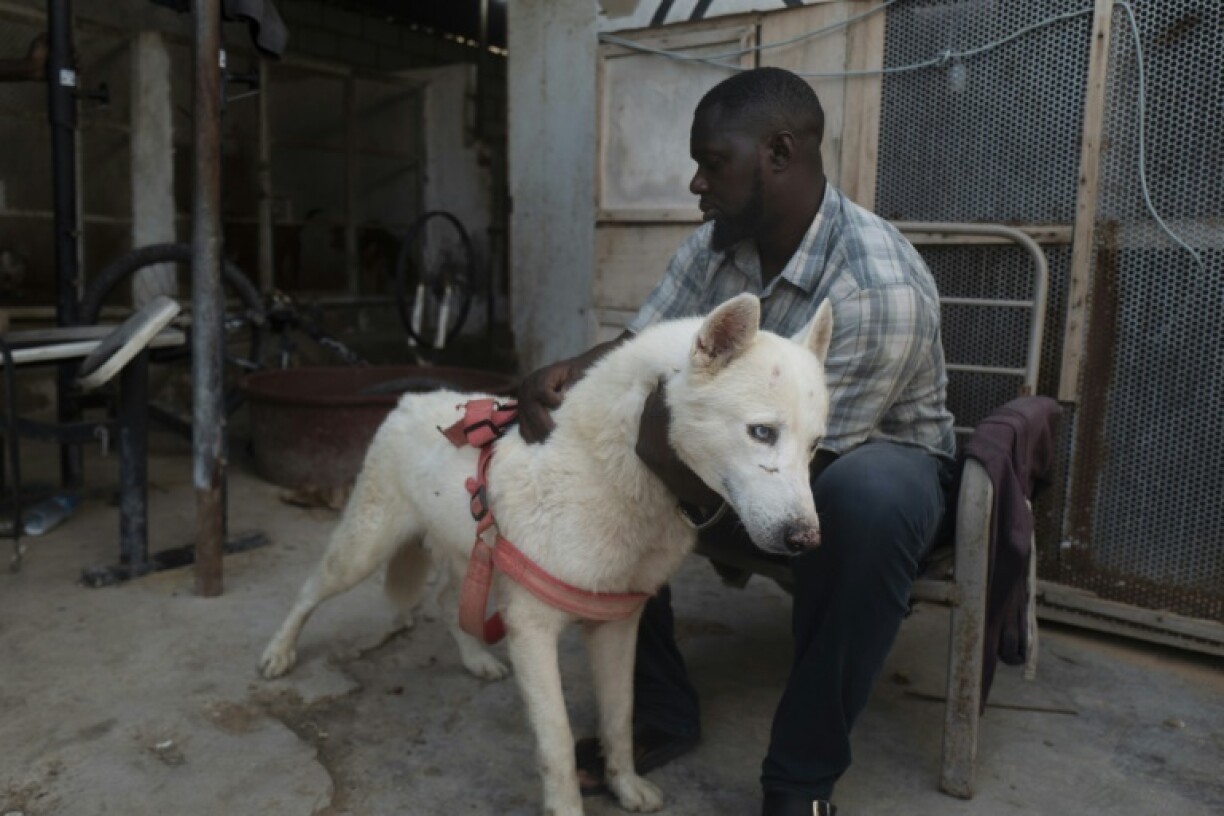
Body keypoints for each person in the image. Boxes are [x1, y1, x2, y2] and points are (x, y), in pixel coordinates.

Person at [516, 66, 956, 816]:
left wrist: (658, 453)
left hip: (862, 467)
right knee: (614, 444)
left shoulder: (874, 286)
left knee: (865, 501)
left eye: (712, 162)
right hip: (742, 456)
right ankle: (655, 712)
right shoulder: (718, 245)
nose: (695, 183)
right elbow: (643, 343)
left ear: (778, 154)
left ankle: (800, 781)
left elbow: (802, 466)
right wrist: (563, 377)